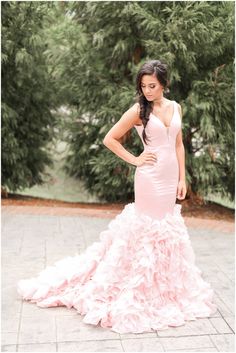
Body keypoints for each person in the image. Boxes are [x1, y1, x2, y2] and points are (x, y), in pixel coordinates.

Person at [17, 60, 217, 334]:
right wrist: (135, 159)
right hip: (149, 178)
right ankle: (137, 289)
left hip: (170, 178)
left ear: (164, 85)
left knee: (166, 230)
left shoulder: (176, 107)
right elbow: (110, 138)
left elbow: (178, 144)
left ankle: (165, 289)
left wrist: (183, 178)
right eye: (143, 86)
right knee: (147, 231)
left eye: (152, 86)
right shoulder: (138, 110)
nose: (147, 91)